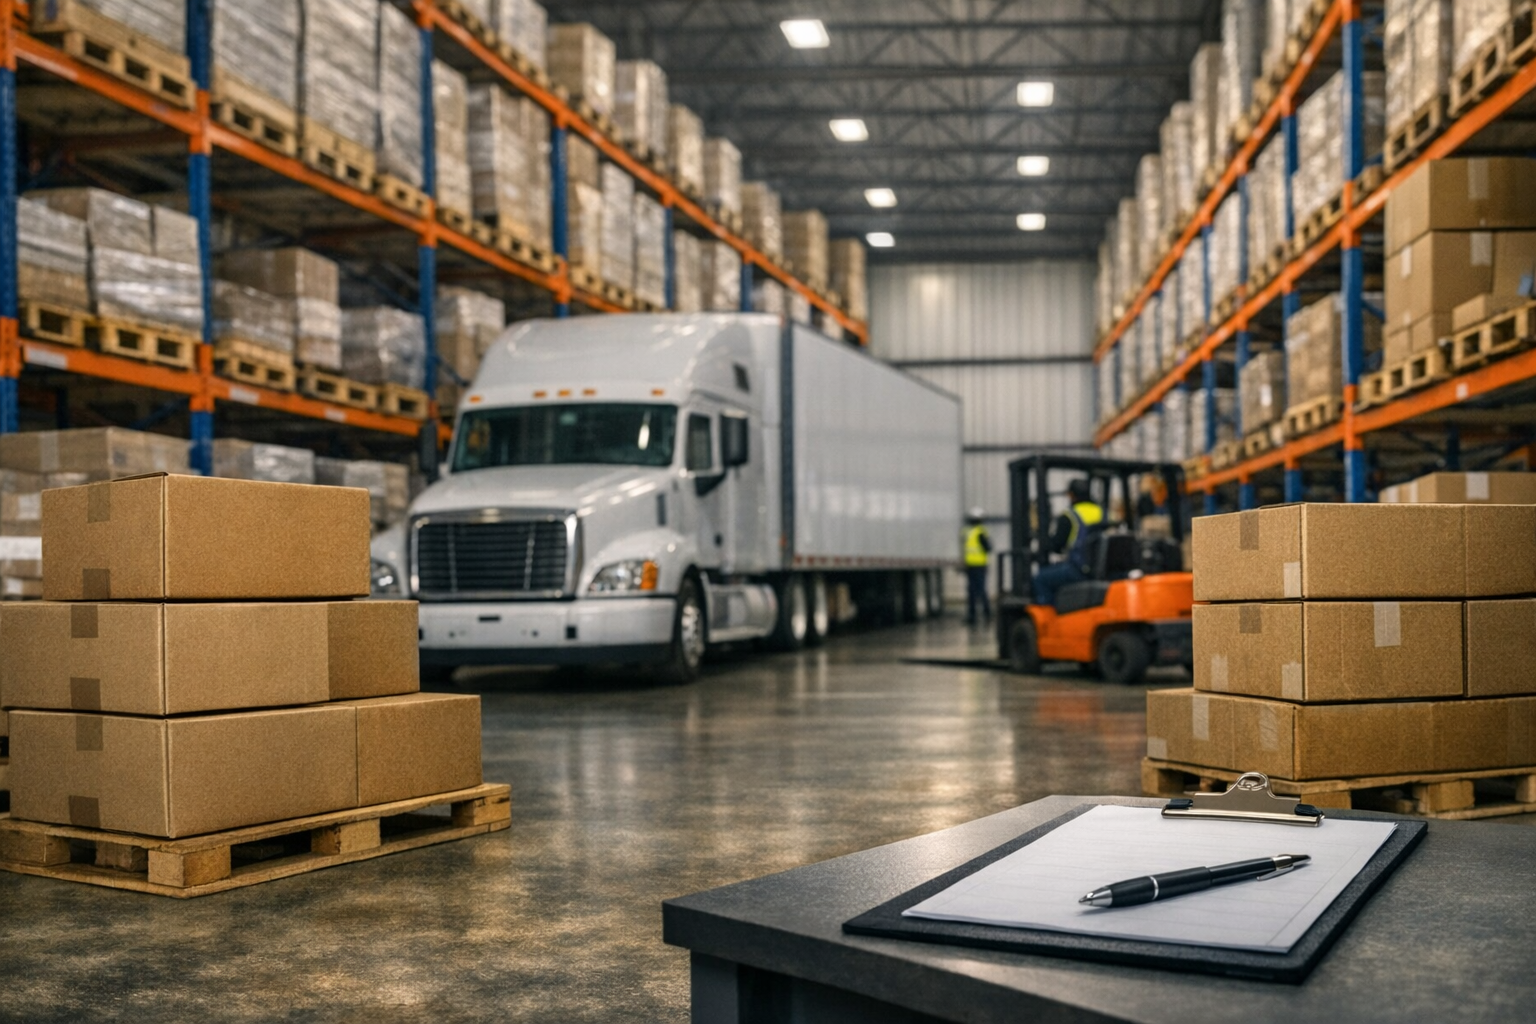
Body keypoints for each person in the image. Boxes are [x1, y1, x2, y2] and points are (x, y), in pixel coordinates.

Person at [1033, 479, 1105, 607]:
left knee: (1040, 578)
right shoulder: (1102, 512)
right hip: (1102, 569)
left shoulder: (1069, 516)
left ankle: (1050, 619)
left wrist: (1044, 541)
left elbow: (1056, 545)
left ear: (1071, 495)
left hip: (1079, 570)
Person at [963, 508, 992, 626]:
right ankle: (985, 613)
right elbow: (988, 548)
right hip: (979, 566)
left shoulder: (968, 532)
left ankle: (974, 615)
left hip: (972, 566)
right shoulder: (981, 532)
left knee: (973, 591)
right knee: (980, 590)